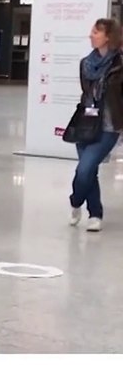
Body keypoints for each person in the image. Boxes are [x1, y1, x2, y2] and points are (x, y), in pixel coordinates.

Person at [69, 18, 123, 232]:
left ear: (108, 37)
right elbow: (86, 92)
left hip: (109, 126)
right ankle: (95, 214)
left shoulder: (120, 64)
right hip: (85, 124)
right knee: (90, 172)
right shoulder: (85, 63)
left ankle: (75, 201)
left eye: (96, 32)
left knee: (84, 170)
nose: (91, 35)